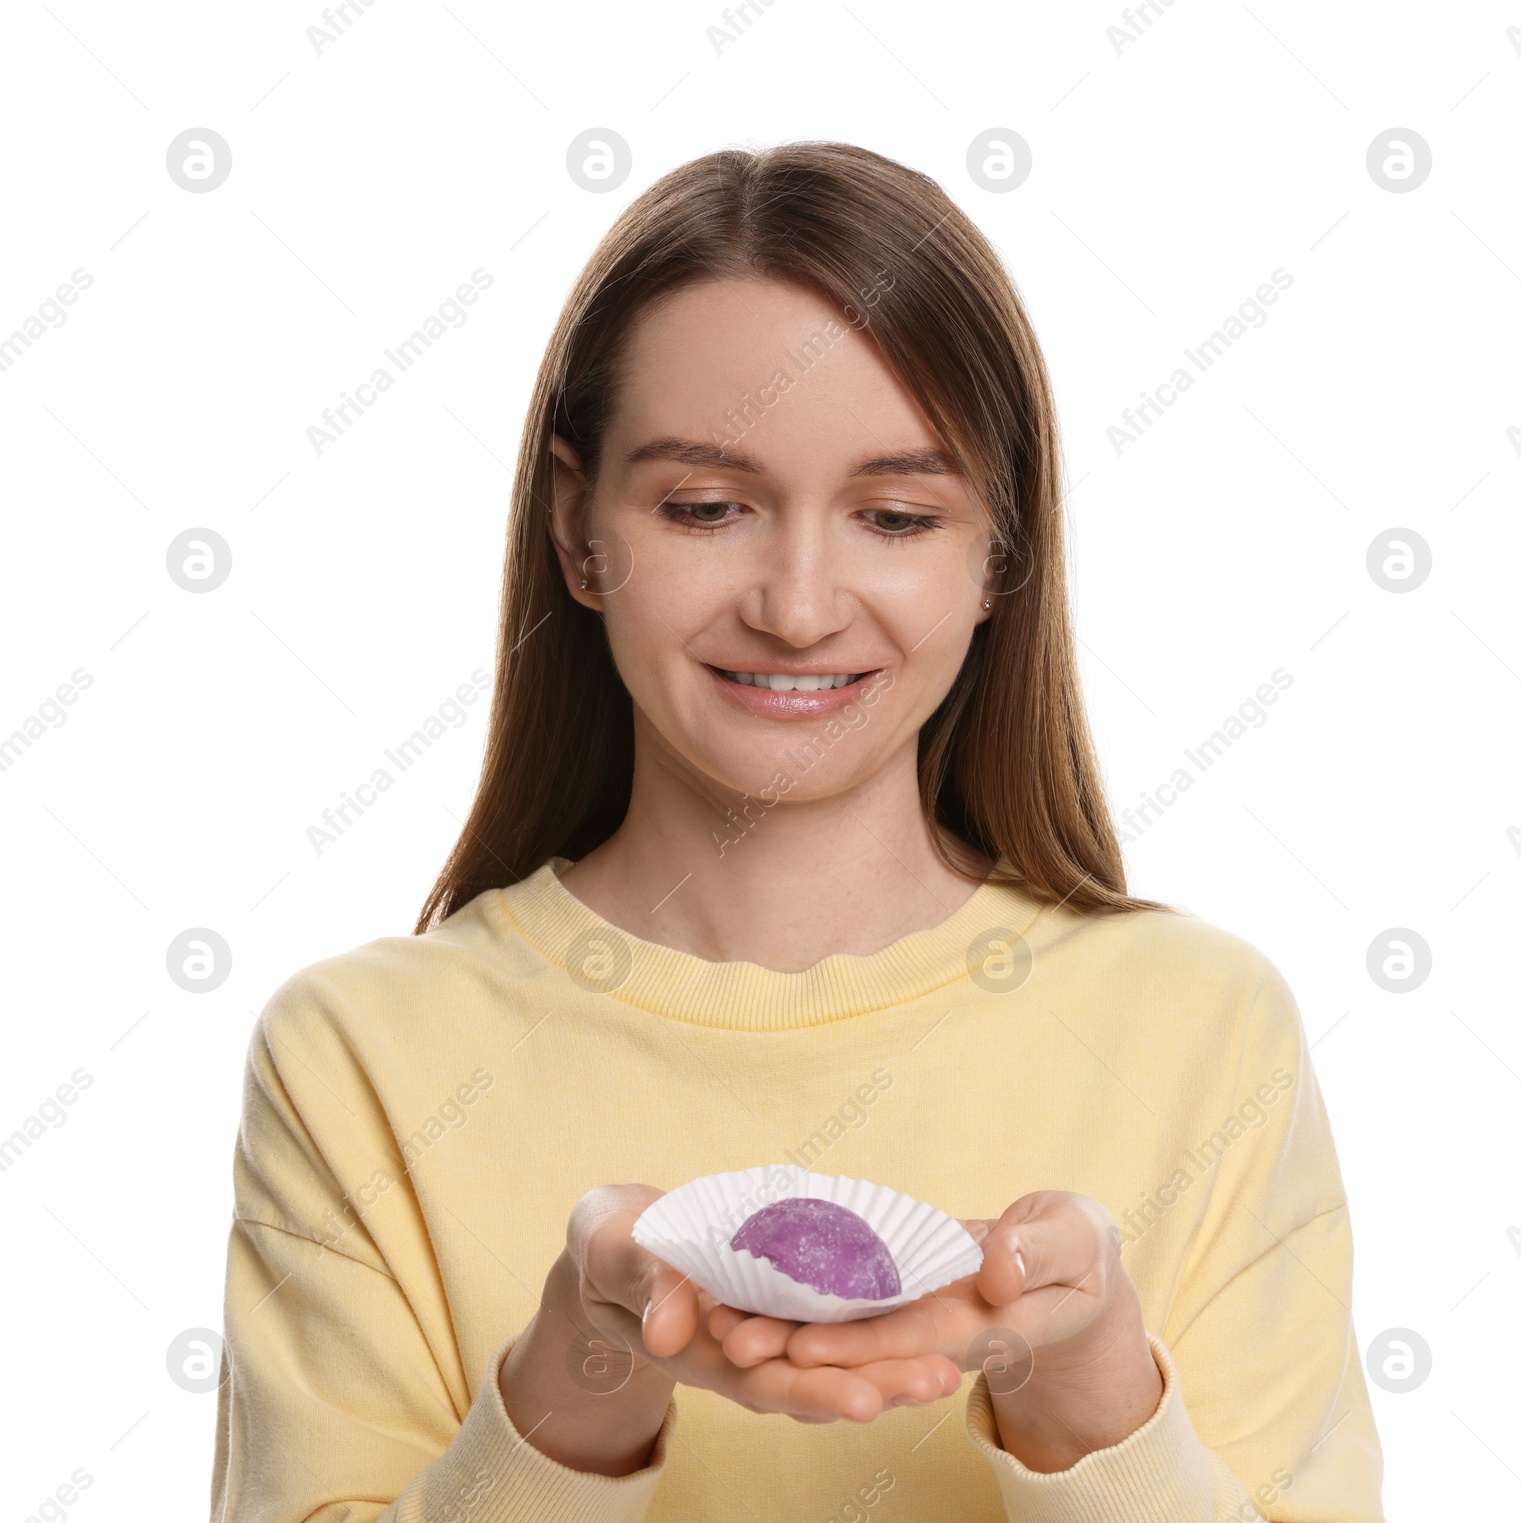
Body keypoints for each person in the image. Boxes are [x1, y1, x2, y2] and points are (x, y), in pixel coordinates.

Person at [210, 141, 1385, 1522]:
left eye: (894, 516)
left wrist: (1089, 1390)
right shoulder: (360, 1062)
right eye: (706, 508)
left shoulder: (1203, 1031)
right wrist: (584, 1373)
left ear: (999, 554)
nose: (800, 604)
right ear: (578, 534)